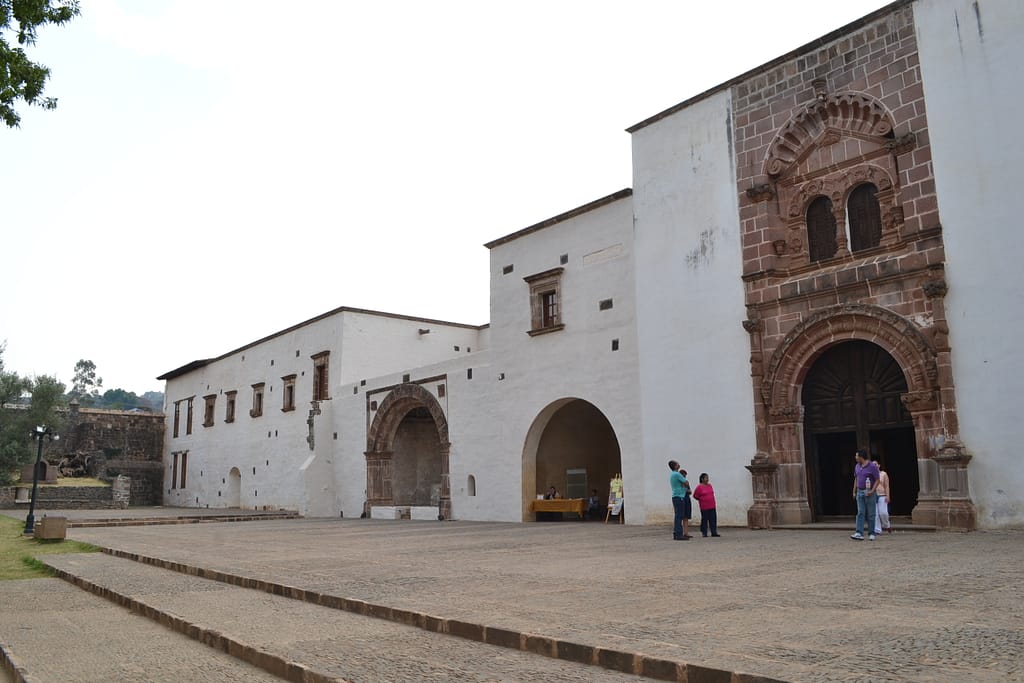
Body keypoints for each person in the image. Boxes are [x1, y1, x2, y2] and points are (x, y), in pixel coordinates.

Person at [851, 449, 880, 541]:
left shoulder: (872, 466)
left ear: (861, 457)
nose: (855, 458)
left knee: (871, 513)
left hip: (869, 492)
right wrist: (854, 491)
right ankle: (859, 532)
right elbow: (856, 478)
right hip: (860, 491)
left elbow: (877, 480)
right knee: (860, 512)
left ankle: (872, 533)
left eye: (856, 456)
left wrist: (872, 490)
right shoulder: (857, 466)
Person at [668, 461, 691, 540]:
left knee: (678, 515)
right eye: (677, 464)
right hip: (679, 496)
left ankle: (677, 533)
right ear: (675, 466)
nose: (679, 464)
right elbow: (686, 482)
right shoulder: (677, 474)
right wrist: (685, 485)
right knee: (679, 516)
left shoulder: (672, 474)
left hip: (676, 496)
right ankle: (678, 534)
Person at [692, 473, 720, 537]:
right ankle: (704, 532)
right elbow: (695, 496)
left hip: (712, 505)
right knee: (705, 519)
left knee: (713, 519)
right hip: (704, 506)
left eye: (707, 477)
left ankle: (714, 532)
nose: (707, 479)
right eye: (706, 478)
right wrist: (701, 499)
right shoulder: (699, 487)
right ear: (702, 479)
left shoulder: (710, 485)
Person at [874, 461, 892, 534]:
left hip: (882, 495)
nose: (874, 466)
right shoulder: (870, 475)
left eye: (876, 464)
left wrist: (888, 495)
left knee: (883, 513)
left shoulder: (883, 474)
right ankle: (877, 530)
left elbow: (887, 486)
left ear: (879, 465)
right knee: (875, 514)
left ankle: (886, 525)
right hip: (874, 495)